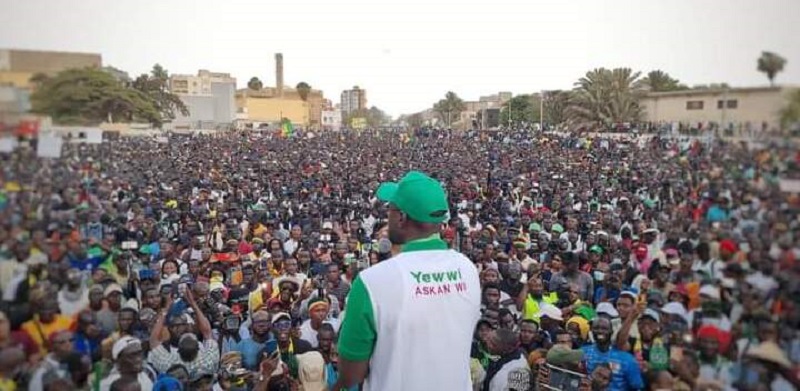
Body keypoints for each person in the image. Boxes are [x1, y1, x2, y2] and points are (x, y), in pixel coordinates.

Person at [334, 171, 481, 391]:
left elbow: (351, 375)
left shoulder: (372, 282)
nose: (387, 216)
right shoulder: (468, 270)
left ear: (401, 217)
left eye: (390, 210)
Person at [581, 317, 644, 391]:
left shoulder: (627, 359)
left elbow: (637, 387)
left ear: (611, 331)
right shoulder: (584, 351)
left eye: (604, 328)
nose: (600, 331)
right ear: (591, 330)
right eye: (596, 328)